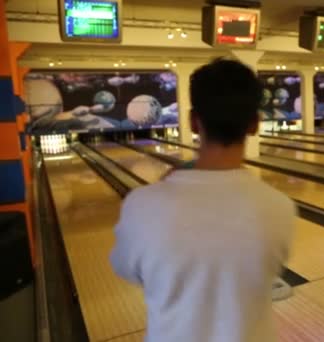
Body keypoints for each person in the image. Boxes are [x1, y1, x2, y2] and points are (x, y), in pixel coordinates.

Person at [110, 59, 296, 342]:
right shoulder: (281, 207)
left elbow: (127, 270)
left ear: (193, 121)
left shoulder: (141, 204)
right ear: (255, 125)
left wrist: (160, 190)